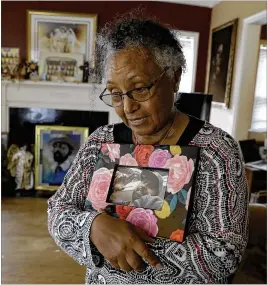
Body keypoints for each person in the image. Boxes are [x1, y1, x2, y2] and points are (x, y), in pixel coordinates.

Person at [48, 11, 248, 284]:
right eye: (115, 94)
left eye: (140, 89)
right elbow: (58, 210)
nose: (128, 108)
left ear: (174, 77)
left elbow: (224, 256)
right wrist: (94, 227)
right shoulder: (100, 143)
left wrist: (127, 242)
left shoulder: (216, 151)